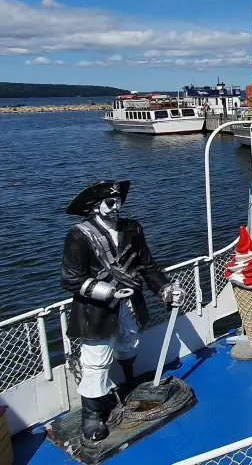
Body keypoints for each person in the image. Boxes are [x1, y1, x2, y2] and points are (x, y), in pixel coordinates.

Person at [60, 181, 185, 442]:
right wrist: (106, 292)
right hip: (96, 311)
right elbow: (71, 280)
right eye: (110, 202)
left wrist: (166, 290)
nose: (116, 207)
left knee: (129, 343)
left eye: (119, 202)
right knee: (96, 361)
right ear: (95, 207)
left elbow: (147, 267)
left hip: (128, 303)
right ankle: (92, 416)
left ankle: (129, 383)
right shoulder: (79, 235)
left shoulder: (132, 229)